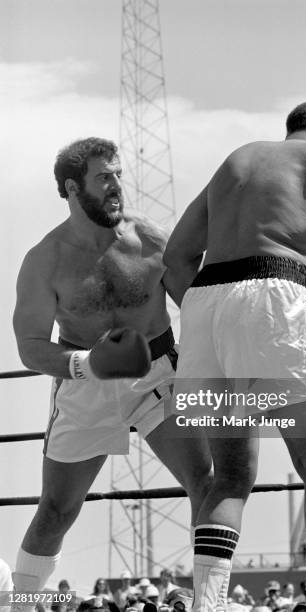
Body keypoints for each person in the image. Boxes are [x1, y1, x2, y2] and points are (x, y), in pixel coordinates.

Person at [163, 100, 306, 612]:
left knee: (229, 476)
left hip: (204, 306)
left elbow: (175, 258)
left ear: (291, 130)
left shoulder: (238, 160)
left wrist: (213, 321)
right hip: (274, 293)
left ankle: (207, 604)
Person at [11, 137, 213, 606]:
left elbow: (200, 308)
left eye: (118, 174)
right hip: (86, 383)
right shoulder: (45, 261)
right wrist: (85, 364)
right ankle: (17, 604)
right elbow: (30, 347)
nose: (117, 185)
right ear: (71, 188)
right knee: (57, 510)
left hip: (159, 374)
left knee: (204, 480)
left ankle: (210, 598)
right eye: (104, 177)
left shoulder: (152, 239)